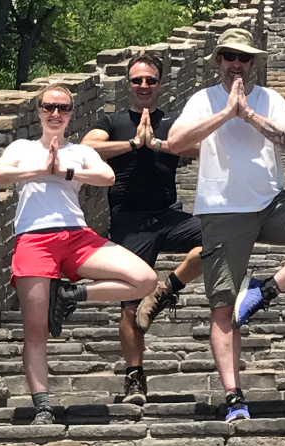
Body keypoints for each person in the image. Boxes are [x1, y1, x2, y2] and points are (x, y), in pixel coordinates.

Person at [166, 28, 285, 421]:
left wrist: (249, 114)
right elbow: (176, 143)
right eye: (230, 56)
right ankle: (235, 397)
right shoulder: (204, 100)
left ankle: (265, 289)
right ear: (218, 60)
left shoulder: (270, 99)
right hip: (223, 211)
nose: (237, 63)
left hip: (272, 203)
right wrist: (226, 113)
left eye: (245, 57)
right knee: (222, 309)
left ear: (253, 63)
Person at [0, 84, 158, 425]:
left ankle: (70, 293)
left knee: (144, 279)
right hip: (34, 239)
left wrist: (64, 171)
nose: (55, 113)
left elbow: (107, 176)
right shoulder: (22, 147)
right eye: (49, 106)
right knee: (36, 331)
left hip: (76, 236)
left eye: (63, 108)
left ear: (70, 113)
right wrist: (40, 171)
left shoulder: (80, 151)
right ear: (38, 111)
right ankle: (43, 407)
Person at [81, 53, 203, 406]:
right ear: (128, 84)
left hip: (168, 215)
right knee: (130, 306)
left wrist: (161, 144)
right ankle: (135, 378)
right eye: (137, 80)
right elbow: (88, 147)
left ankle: (167, 290)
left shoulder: (171, 122)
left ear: (160, 84)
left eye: (150, 80)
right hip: (130, 221)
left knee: (219, 238)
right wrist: (134, 144)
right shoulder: (113, 120)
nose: (144, 86)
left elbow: (200, 147)